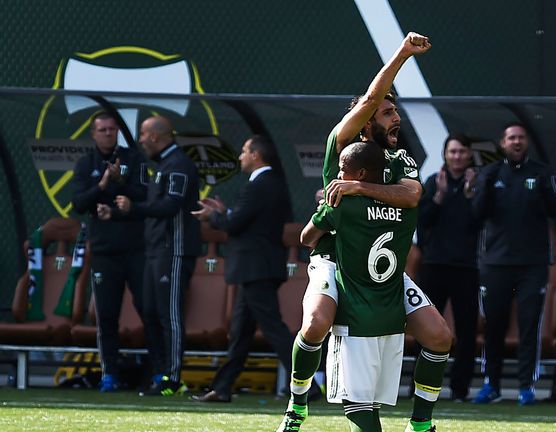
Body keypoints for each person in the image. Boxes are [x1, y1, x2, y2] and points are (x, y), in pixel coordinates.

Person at [277, 32, 452, 432]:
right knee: (315, 324)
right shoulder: (342, 147)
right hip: (335, 261)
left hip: (379, 268)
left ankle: (420, 425)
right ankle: (297, 404)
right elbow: (373, 98)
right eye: (389, 114)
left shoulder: (400, 158)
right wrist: (403, 54)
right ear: (367, 121)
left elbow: (411, 195)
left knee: (439, 336)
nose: (396, 119)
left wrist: (359, 188)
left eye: (396, 113)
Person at [302, 141, 416, 432]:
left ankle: (295, 403)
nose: (337, 174)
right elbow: (410, 194)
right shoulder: (406, 206)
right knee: (372, 405)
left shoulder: (344, 204)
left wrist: (326, 207)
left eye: (343, 169)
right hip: (391, 316)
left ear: (361, 174)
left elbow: (307, 238)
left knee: (357, 406)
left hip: (355, 315)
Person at [189, 135, 303, 403]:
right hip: (258, 267)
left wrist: (213, 217)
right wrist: (226, 213)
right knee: (240, 332)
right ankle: (223, 386)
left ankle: (305, 385)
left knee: (273, 328)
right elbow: (249, 221)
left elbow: (235, 225)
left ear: (255, 155)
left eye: (243, 151)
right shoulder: (273, 183)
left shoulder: (260, 185)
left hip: (257, 269)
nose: (240, 156)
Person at [109, 115, 201, 396]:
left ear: (156, 136)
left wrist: (132, 208)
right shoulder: (162, 165)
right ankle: (159, 372)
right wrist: (123, 186)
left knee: (168, 314)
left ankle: (172, 379)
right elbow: (153, 201)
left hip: (173, 251)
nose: (140, 140)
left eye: (143, 134)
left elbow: (170, 206)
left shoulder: (179, 165)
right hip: (155, 250)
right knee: (148, 311)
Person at [471, 122, 556, 405]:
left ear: (527, 143)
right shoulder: (491, 173)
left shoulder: (542, 172)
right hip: (495, 264)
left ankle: (526, 387)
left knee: (528, 326)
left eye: (521, 137)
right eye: (512, 138)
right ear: (503, 143)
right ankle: (491, 384)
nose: (517, 142)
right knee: (494, 326)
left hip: (532, 265)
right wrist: (483, 185)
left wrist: (546, 189)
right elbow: (476, 215)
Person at [72, 111, 147, 392]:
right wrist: (102, 185)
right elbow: (78, 203)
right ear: (93, 133)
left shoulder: (133, 159)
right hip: (104, 251)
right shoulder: (85, 163)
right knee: (105, 315)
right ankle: (109, 375)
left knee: (148, 310)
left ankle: (158, 374)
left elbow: (144, 196)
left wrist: (120, 183)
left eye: (111, 129)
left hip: (135, 249)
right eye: (102, 129)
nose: (107, 133)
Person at [417, 134, 480, 402]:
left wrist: (469, 196)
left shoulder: (476, 184)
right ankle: (420, 386)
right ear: (445, 154)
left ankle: (460, 389)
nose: (457, 156)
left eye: (462, 151)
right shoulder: (433, 182)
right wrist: (439, 197)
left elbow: (478, 223)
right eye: (452, 151)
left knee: (466, 331)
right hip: (434, 266)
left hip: (466, 267)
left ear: (469, 155)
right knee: (427, 329)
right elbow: (422, 223)